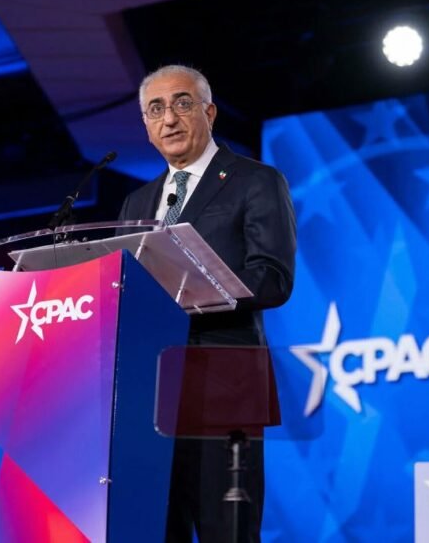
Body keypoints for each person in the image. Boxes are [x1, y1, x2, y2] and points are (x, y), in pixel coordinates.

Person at [118, 65, 297, 542]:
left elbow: (273, 278)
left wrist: (192, 287)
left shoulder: (255, 180)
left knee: (226, 532)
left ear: (209, 112)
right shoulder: (136, 203)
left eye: (182, 103)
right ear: (146, 125)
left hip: (224, 388)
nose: (169, 119)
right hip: (150, 395)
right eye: (155, 109)